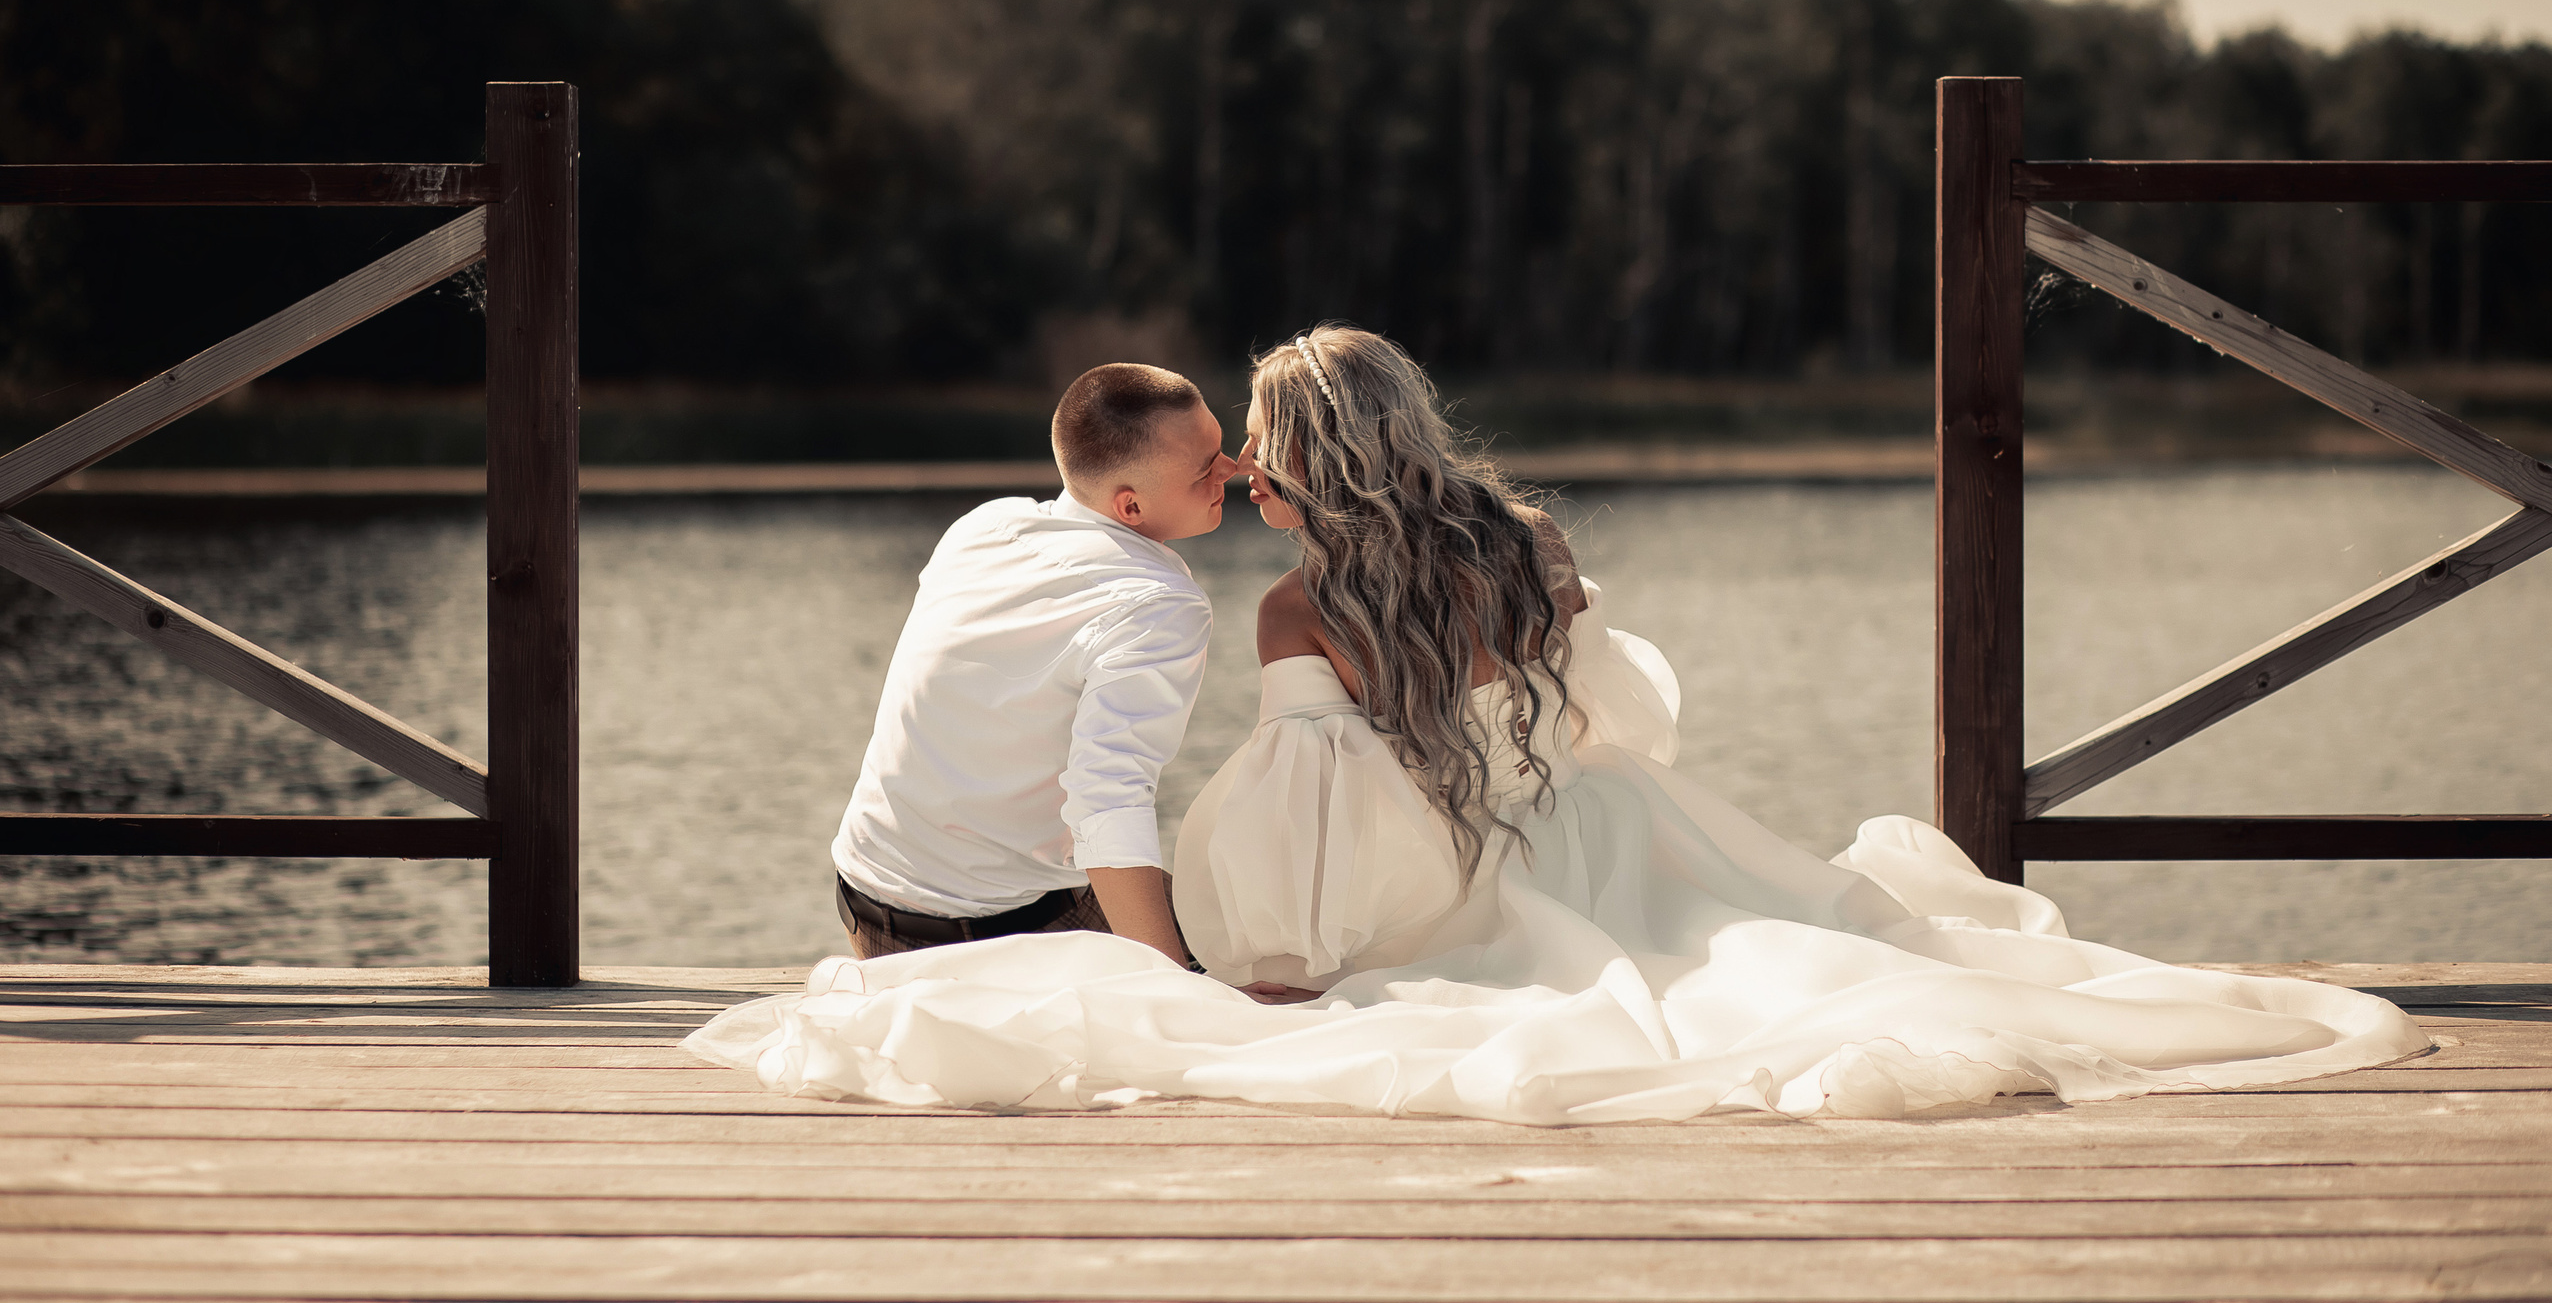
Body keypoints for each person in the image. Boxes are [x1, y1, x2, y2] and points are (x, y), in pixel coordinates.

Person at [691, 328, 2426, 1124]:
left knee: (1407, 973)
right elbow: (1616, 718)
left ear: (1306, 466)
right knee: (1769, 932)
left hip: (1416, 873)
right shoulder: (1527, 548)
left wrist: (1257, 964)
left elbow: (1305, 822)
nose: (1239, 473)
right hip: (1595, 826)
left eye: (1257, 451)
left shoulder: (1296, 609)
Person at [822, 362, 1233, 966]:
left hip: (866, 903)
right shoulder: (1159, 604)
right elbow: (1109, 803)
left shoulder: (983, 527)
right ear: (1131, 506)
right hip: (1000, 934)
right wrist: (1182, 988)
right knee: (1254, 946)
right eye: (1206, 469)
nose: (1233, 469)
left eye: (1221, 449)